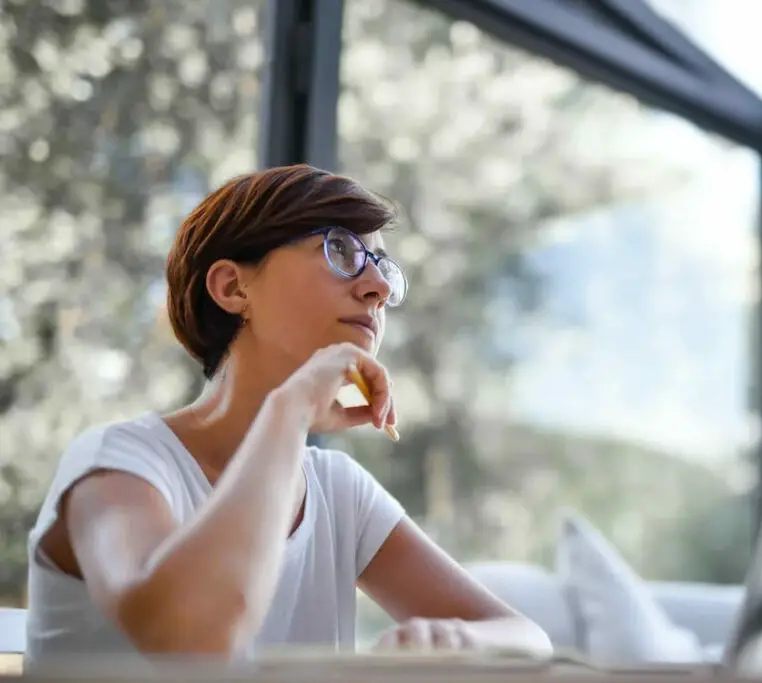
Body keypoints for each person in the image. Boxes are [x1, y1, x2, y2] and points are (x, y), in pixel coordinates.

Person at [24, 164, 552, 663]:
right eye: (340, 250)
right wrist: (290, 408)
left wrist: (453, 637)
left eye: (382, 267)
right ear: (233, 287)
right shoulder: (119, 464)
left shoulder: (340, 491)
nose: (380, 289)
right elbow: (191, 641)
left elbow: (528, 638)